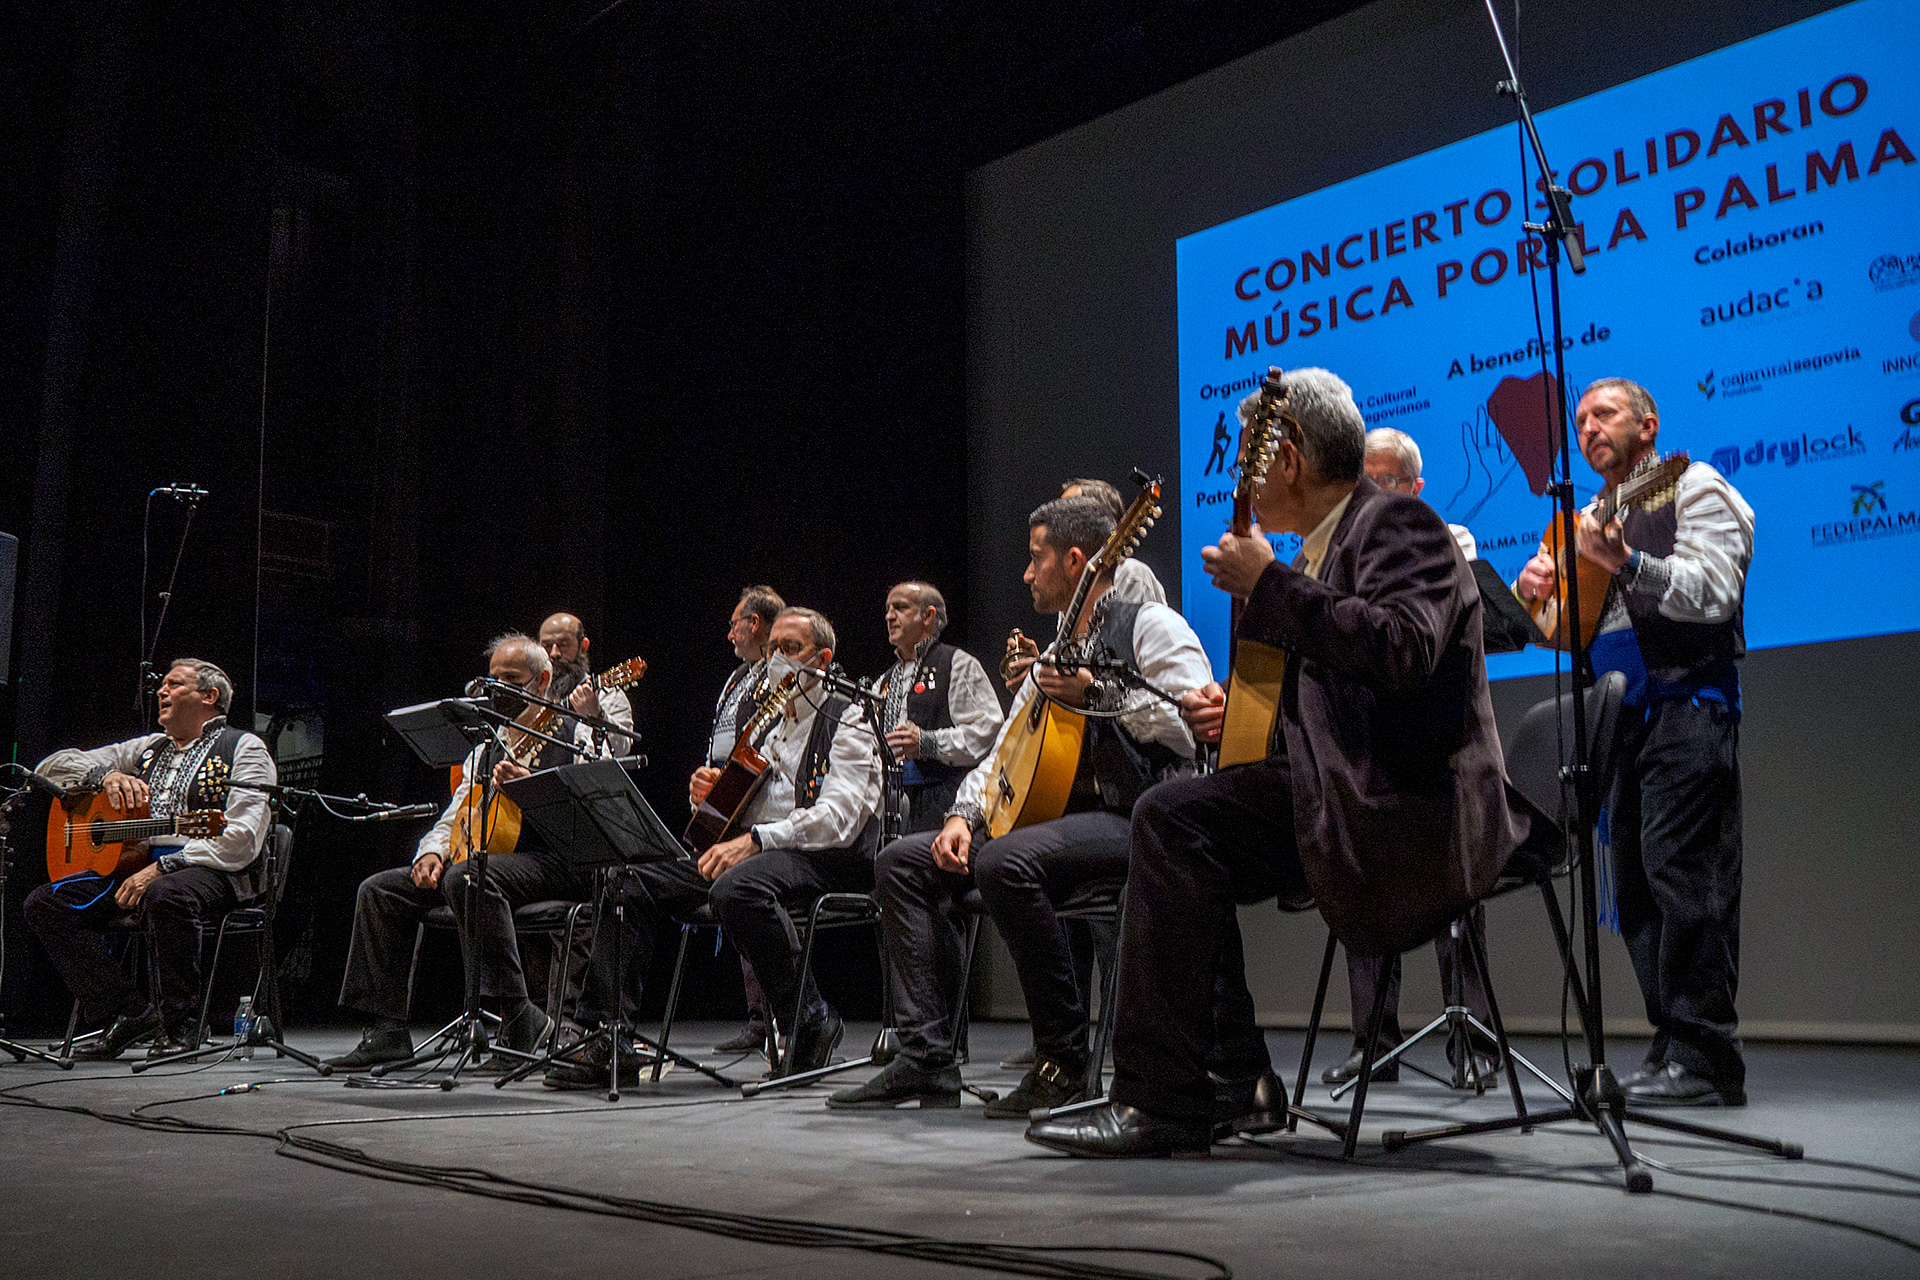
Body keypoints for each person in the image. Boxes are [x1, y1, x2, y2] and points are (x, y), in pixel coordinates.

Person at [1027, 367, 1525, 1157]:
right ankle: (1233, 1082)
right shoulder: (1327, 550)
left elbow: (1402, 652)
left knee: (1172, 818)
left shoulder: (1398, 524)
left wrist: (1272, 583)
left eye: (1246, 464)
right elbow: (1345, 685)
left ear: (1286, 459)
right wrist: (1252, 711)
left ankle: (1166, 1100)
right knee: (1184, 822)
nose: (1239, 480)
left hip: (1408, 804)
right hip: (1345, 789)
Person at [829, 496, 1211, 1115]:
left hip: (1132, 813)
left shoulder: (1148, 627)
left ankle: (1062, 1057)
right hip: (1049, 822)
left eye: (1036, 559)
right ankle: (927, 1057)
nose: (1027, 574)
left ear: (1077, 559)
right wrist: (962, 815)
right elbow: (1002, 755)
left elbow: (1192, 728)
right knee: (902, 861)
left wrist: (1098, 691)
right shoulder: (1051, 657)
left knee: (1006, 863)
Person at [1516, 377, 1754, 1107]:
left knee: (1683, 876)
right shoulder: (1587, 520)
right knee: (1638, 890)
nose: (1588, 428)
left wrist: (1629, 562)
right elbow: (1570, 630)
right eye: (1580, 419)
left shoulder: (1695, 485)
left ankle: (1707, 1054)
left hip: (1688, 704)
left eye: (1605, 414)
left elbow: (1715, 591)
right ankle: (1672, 1042)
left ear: (1647, 422)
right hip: (1621, 721)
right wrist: (1541, 599)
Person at [326, 633, 608, 1072]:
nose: (498, 688)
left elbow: (592, 813)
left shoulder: (578, 732)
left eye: (511, 678)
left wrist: (531, 787)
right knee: (380, 890)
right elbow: (457, 811)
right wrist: (432, 852)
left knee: (470, 876)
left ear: (542, 679)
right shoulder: (486, 744)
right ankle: (388, 1030)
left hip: (558, 860)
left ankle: (517, 1014)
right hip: (491, 859)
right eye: (493, 678)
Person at [1311, 427, 1496, 1086]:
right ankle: (1372, 1042)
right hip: (1372, 750)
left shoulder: (1442, 539)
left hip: (1435, 754)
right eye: (1367, 479)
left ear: (1415, 488)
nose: (1375, 494)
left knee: (1457, 896)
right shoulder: (1339, 547)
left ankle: (1472, 1042)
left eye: (1386, 482)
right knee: (1358, 859)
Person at [25, 659, 277, 1059]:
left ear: (208, 697)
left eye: (174, 685)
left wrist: (164, 866)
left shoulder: (244, 748)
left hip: (214, 868)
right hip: (136, 865)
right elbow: (47, 768)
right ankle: (131, 1013)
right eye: (162, 685)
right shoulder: (147, 749)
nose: (160, 691)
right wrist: (103, 777)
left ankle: (181, 1023)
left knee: (165, 893)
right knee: (45, 903)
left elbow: (243, 837)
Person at [695, 585, 785, 1056]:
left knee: (749, 901)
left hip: (761, 804)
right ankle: (758, 1018)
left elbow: (771, 745)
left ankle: (776, 1017)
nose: (729, 633)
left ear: (753, 623)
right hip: (724, 804)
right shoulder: (737, 679)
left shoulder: (779, 676)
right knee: (733, 908)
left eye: (734, 623)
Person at [875, 581, 1002, 834]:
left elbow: (987, 730)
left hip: (943, 800)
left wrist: (927, 743)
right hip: (888, 806)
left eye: (899, 607)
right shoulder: (884, 681)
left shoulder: (958, 664)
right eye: (888, 609)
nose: (889, 616)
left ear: (928, 615)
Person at [537, 612, 635, 757]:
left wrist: (597, 715)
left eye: (563, 645)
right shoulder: (531, 693)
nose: (554, 653)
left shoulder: (607, 696)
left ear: (583, 646)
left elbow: (621, 749)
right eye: (546, 646)